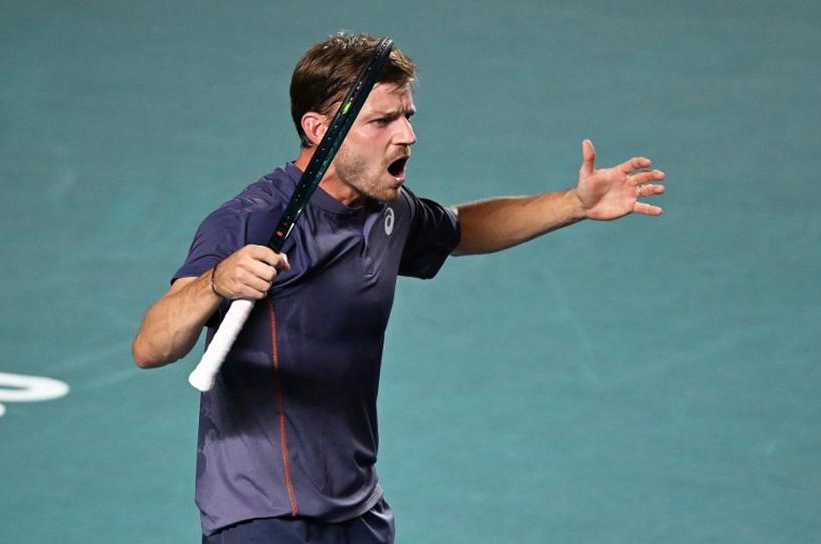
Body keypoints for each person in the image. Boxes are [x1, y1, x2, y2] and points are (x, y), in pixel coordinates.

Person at [132, 32, 665, 544]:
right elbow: (151, 346)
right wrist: (215, 282)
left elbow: (462, 229)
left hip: (358, 512)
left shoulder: (390, 211)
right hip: (262, 514)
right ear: (319, 129)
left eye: (407, 116)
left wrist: (575, 204)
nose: (406, 135)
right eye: (382, 120)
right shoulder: (250, 220)